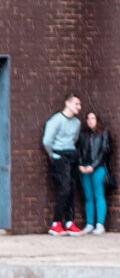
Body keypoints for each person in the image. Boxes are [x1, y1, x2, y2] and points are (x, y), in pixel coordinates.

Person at [42, 93, 84, 235]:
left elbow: (75, 139)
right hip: (59, 157)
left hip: (71, 156)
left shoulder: (77, 123)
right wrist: (53, 155)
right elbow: (47, 141)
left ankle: (69, 222)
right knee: (64, 188)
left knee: (72, 190)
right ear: (67, 103)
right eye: (76, 104)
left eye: (80, 104)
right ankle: (56, 223)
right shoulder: (56, 120)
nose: (79, 107)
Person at [77, 111, 111, 234]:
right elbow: (79, 151)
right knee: (88, 196)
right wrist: (80, 165)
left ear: (97, 120)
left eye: (93, 118)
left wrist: (94, 166)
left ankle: (100, 224)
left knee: (98, 195)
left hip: (98, 168)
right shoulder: (83, 135)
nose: (90, 120)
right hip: (84, 168)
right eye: (88, 118)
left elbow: (104, 152)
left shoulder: (104, 134)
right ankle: (89, 224)